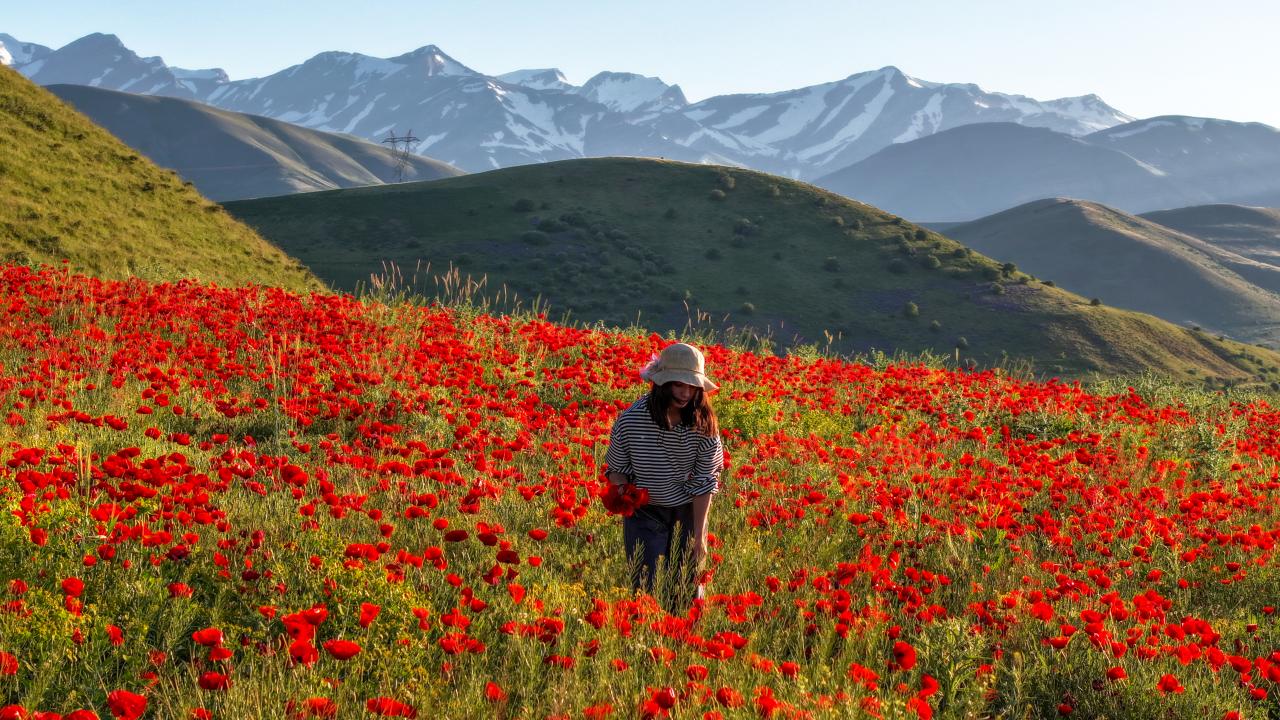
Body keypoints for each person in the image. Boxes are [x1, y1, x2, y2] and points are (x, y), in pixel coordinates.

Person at [605, 342, 723, 612]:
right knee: (647, 587)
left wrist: (699, 536)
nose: (685, 393)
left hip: (687, 510)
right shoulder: (631, 420)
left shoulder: (704, 424)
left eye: (692, 386)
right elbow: (616, 469)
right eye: (678, 384)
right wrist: (624, 492)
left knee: (687, 586)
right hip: (645, 513)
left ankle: (684, 634)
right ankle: (648, 633)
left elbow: (705, 481)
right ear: (661, 383)